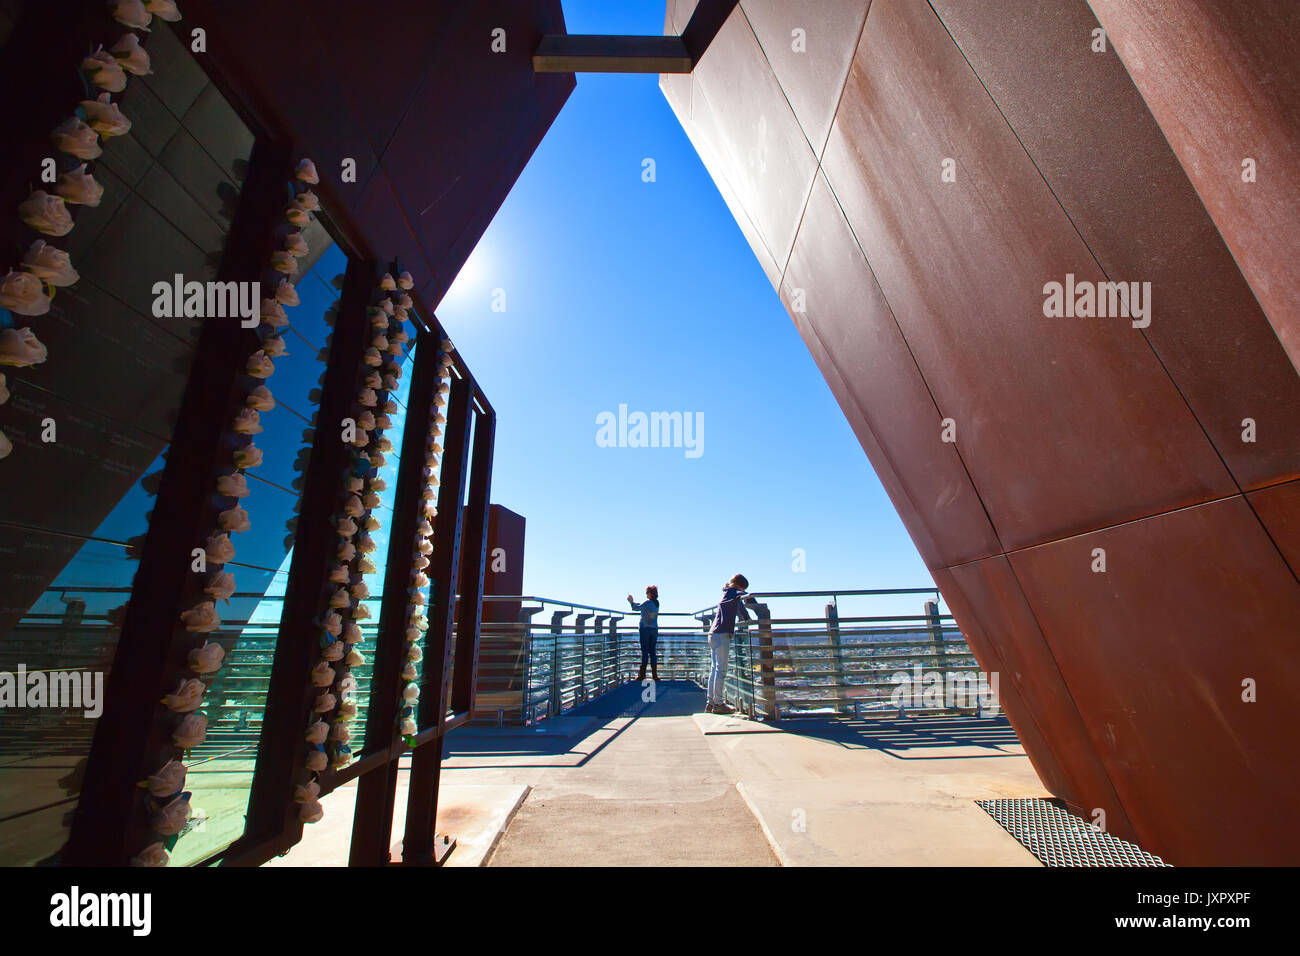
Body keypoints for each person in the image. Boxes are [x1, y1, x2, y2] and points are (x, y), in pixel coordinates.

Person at [706, 574, 750, 714]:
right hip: (722, 634)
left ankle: (711, 702)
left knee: (714, 669)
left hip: (713, 634)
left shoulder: (727, 594)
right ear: (740, 585)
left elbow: (741, 608)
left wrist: (746, 616)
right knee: (721, 670)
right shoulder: (734, 593)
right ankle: (718, 704)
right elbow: (744, 596)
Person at [627, 585, 660, 682]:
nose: (646, 594)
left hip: (645, 629)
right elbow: (642, 606)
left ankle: (642, 675)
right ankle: (655, 675)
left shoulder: (648, 602)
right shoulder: (656, 603)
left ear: (650, 593)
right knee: (653, 652)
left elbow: (636, 608)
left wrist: (631, 601)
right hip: (654, 629)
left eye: (647, 592)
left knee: (645, 652)